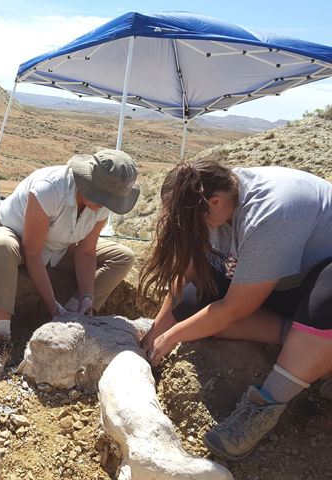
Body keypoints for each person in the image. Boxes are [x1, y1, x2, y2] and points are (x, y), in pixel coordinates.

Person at [138, 159, 332, 461]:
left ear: (214, 203)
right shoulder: (219, 199)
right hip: (290, 278)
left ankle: (264, 407)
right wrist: (156, 330)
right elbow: (189, 273)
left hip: (320, 280)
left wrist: (172, 337)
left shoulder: (270, 215)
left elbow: (237, 308)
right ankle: (309, 349)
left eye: (196, 222)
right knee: (191, 306)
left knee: (325, 303)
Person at [0, 149, 139, 380]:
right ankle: (1, 342)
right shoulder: (50, 188)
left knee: (122, 256)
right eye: (104, 199)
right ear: (88, 182)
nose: (106, 205)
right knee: (3, 246)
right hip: (18, 238)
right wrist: (53, 307)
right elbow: (33, 252)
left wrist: (86, 296)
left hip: (60, 247)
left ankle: (75, 313)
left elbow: (86, 252)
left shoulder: (104, 202)